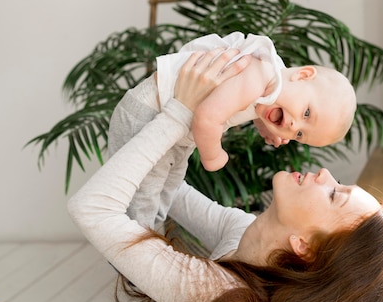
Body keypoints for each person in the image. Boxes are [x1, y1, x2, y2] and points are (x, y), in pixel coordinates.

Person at [0, 49, 383, 302]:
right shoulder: (248, 238)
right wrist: (193, 120)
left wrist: (180, 111)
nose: (325, 173)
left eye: (334, 193)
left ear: (303, 245)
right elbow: (172, 195)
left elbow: (91, 207)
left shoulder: (226, 299)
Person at [108, 31, 357, 232]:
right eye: (306, 114)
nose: (294, 127)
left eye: (300, 135)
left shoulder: (269, 85)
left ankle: (149, 238)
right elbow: (207, 117)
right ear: (303, 75)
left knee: (167, 190)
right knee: (144, 199)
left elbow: (247, 101)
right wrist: (213, 156)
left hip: (172, 132)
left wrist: (262, 124)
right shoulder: (258, 74)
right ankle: (133, 251)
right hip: (148, 115)